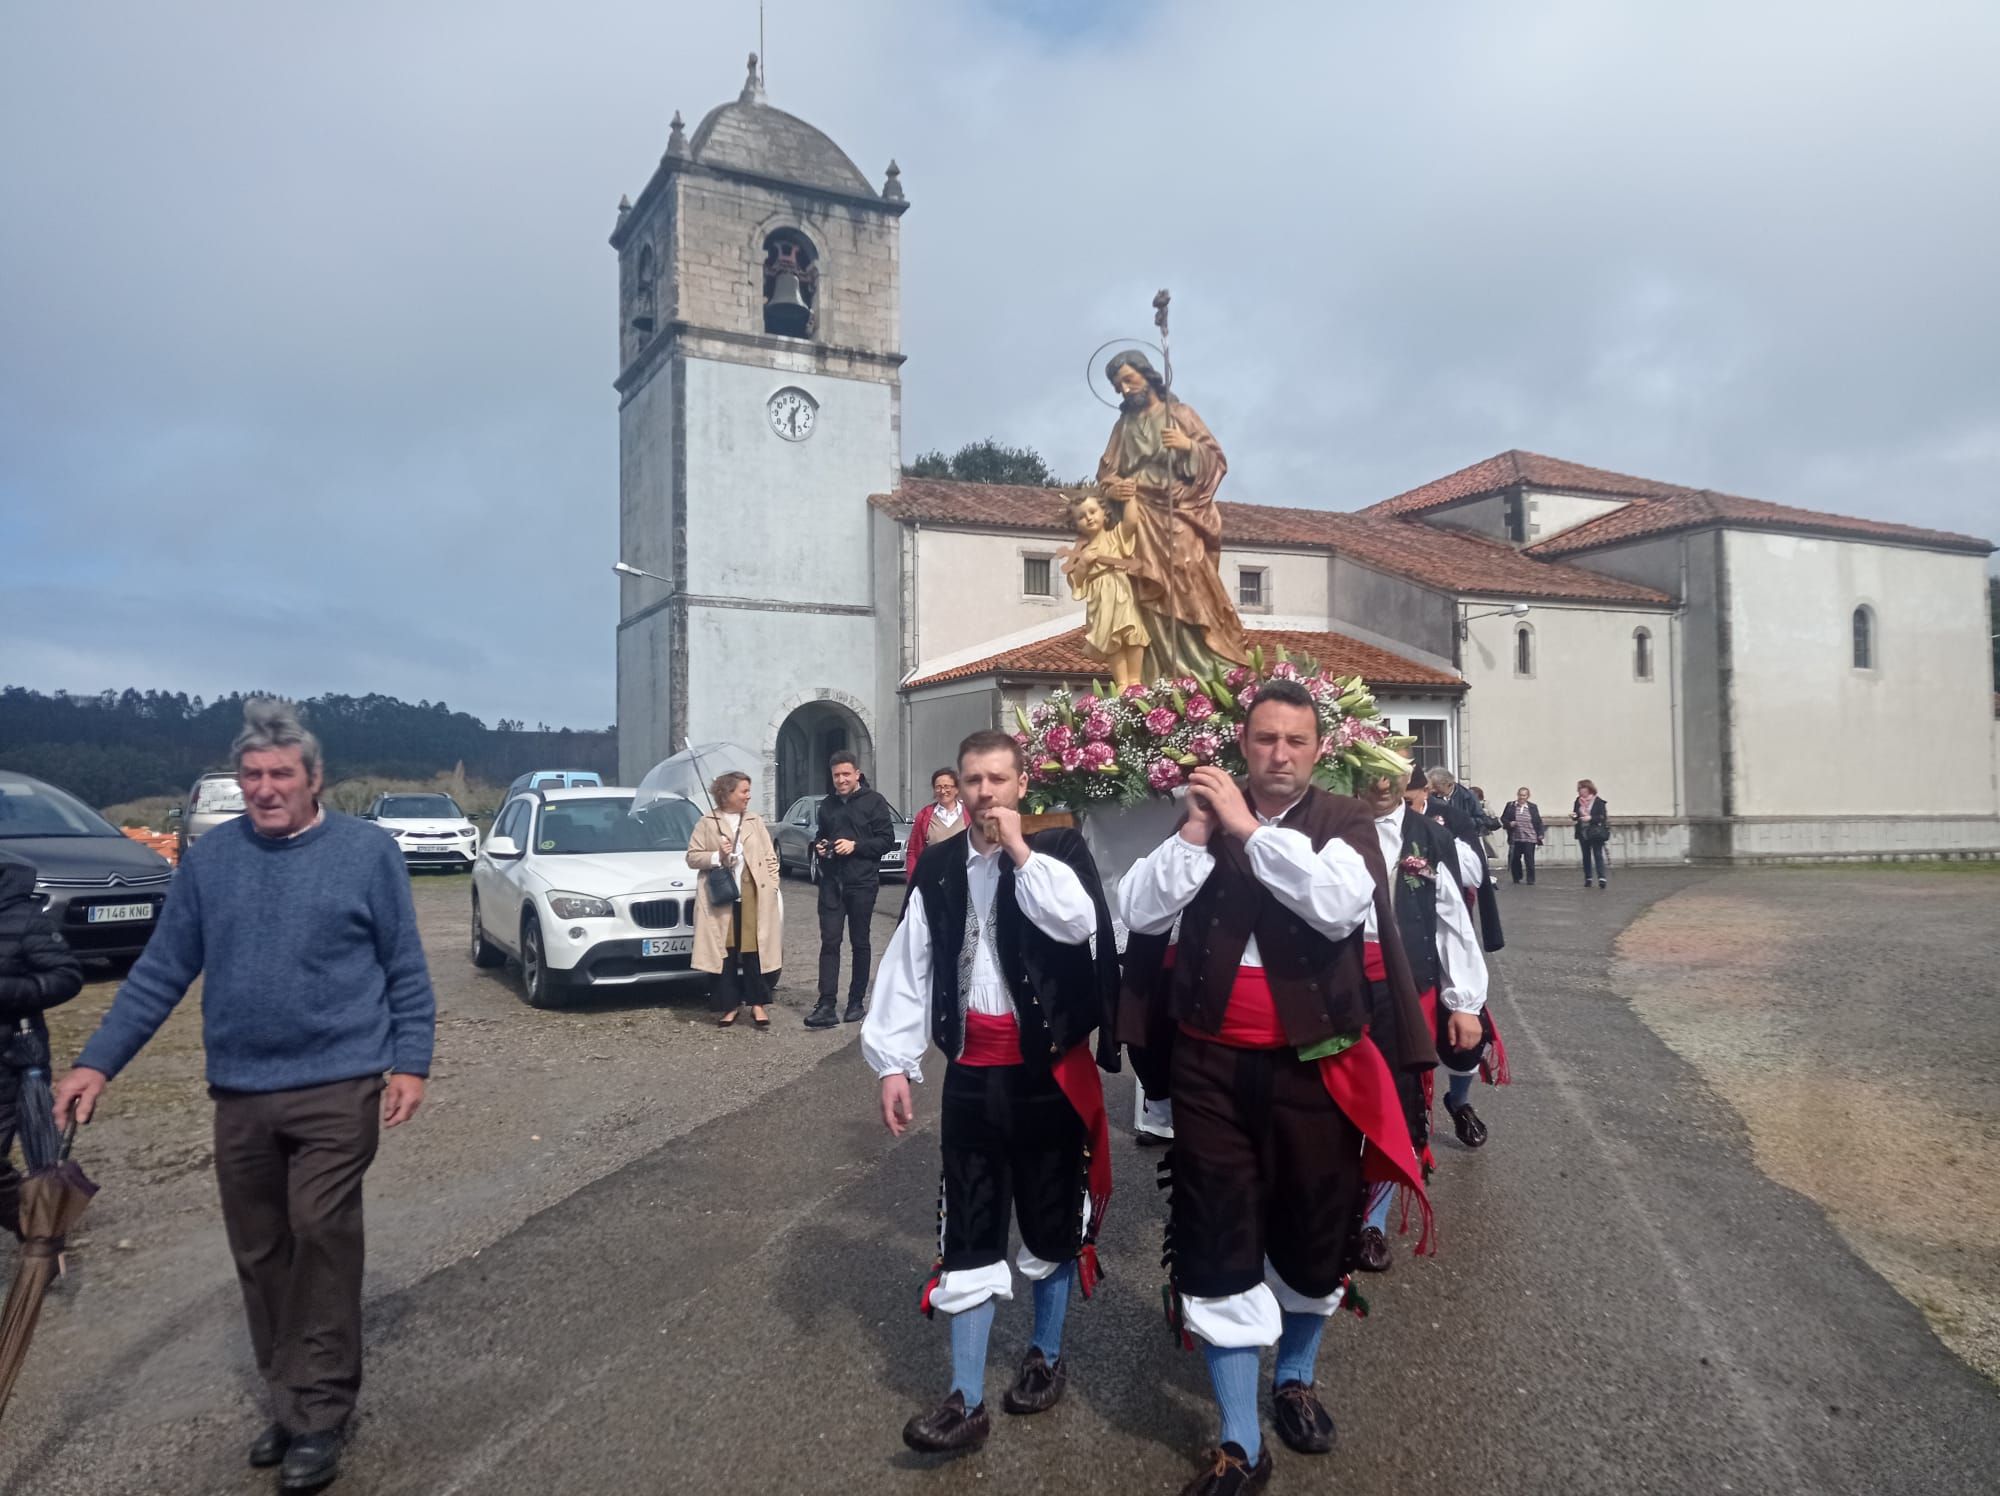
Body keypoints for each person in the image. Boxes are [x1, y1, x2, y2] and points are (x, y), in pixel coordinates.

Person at [53, 699, 434, 1491]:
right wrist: (97, 1064)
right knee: (261, 1251)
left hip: (338, 1081)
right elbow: (160, 971)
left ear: (314, 778)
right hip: (242, 1091)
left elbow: (405, 967)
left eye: (280, 775)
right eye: (252, 776)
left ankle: (320, 1416)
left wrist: (411, 1062)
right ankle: (290, 1399)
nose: (264, 789)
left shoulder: (366, 853)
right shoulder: (212, 861)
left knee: (319, 1229)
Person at [1116, 680, 1434, 1495]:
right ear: (1243, 743)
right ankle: (1238, 1438)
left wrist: (1246, 828)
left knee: (1312, 1228)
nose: (1279, 756)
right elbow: (1140, 913)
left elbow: (1335, 906)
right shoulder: (1204, 821)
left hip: (1314, 1063)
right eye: (1264, 740)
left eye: (1295, 742)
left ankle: (1294, 1375)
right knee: (1217, 1231)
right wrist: (1193, 833)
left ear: (1319, 750)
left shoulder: (1347, 823)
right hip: (1211, 1065)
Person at [861, 730, 1120, 1455]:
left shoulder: (1057, 854)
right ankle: (966, 1399)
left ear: (1020, 786)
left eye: (997, 780)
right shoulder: (941, 866)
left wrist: (1021, 851)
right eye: (973, 780)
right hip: (973, 1075)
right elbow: (912, 966)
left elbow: (1078, 926)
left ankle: (1044, 1352)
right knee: (970, 1229)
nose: (983, 794)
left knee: (1049, 1224)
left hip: (1046, 1075)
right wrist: (893, 1063)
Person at [1352, 769, 1493, 1274]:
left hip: (1408, 985)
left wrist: (1464, 1002)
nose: (1383, 784)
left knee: (1398, 1100)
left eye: (1393, 774)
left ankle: (1374, 1219)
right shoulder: (1324, 829)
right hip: (1338, 986)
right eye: (1373, 772)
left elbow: (1452, 916)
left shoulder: (1430, 835)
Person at [1095, 349, 1249, 678]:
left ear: (1146, 375)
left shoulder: (1180, 413)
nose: (1124, 390)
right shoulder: (1123, 427)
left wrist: (1187, 446)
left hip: (1178, 512)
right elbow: (1106, 474)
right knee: (1144, 593)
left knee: (1190, 572)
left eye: (1128, 380)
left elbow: (1216, 461)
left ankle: (1208, 665)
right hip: (1139, 515)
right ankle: (1162, 674)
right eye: (1117, 386)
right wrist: (1114, 488)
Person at [0, 851, 84, 1240]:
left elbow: (66, 976)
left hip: (12, 1062)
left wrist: (7, 992)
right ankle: (35, 1221)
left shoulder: (27, 919)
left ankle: (38, 1226)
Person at [805, 752, 896, 1029]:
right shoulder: (828, 805)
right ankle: (826, 1004)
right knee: (830, 942)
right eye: (836, 775)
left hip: (862, 882)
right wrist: (820, 846)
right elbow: (822, 834)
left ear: (857, 774)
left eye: (846, 774)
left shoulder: (874, 802)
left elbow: (886, 841)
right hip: (832, 882)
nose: (841, 780)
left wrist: (855, 846)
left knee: (860, 942)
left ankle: (856, 1001)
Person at [686, 771, 783, 1030]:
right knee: (725, 951)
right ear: (727, 793)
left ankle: (758, 1004)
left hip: (753, 894)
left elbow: (770, 857)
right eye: (743, 791)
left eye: (748, 791)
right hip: (721, 897)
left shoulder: (754, 821)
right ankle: (728, 1005)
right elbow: (692, 857)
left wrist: (772, 886)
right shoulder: (707, 822)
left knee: (753, 949)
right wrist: (717, 856)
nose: (748, 796)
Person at [1062, 489, 1150, 690]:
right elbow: (1076, 582)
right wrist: (1083, 564)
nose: (1089, 518)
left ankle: (1135, 680)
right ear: (1075, 524)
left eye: (1092, 511)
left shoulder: (1115, 536)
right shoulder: (1080, 552)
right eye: (1081, 517)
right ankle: (1122, 681)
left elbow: (1131, 522)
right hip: (1100, 599)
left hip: (1122, 590)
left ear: (1104, 512)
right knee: (1111, 638)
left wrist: (1130, 496)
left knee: (1132, 630)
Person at [904, 768, 968, 880]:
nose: (943, 791)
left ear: (957, 789)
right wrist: (913, 880)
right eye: (938, 787)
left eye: (947, 786)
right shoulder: (924, 816)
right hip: (932, 880)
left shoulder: (969, 814)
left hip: (965, 880)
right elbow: (913, 851)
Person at [1501, 787, 1545, 885]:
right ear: (1517, 795)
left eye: (1524, 795)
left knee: (1529, 859)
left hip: (1530, 837)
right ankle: (1517, 877)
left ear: (1528, 796)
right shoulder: (1511, 805)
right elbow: (1503, 818)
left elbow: (1538, 821)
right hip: (1516, 837)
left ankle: (1530, 879)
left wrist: (1540, 834)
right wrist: (1509, 823)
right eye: (1520, 795)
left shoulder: (1532, 807)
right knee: (1515, 858)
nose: (1522, 797)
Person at [1573, 779, 1610, 887]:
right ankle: (1588, 877)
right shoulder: (1578, 801)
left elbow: (1602, 817)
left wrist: (1591, 818)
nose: (1579, 791)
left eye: (1581, 788)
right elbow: (1576, 814)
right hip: (1583, 831)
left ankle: (1601, 878)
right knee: (1586, 855)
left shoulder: (1598, 801)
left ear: (1588, 789)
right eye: (1579, 789)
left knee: (1598, 854)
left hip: (1595, 832)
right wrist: (1575, 816)